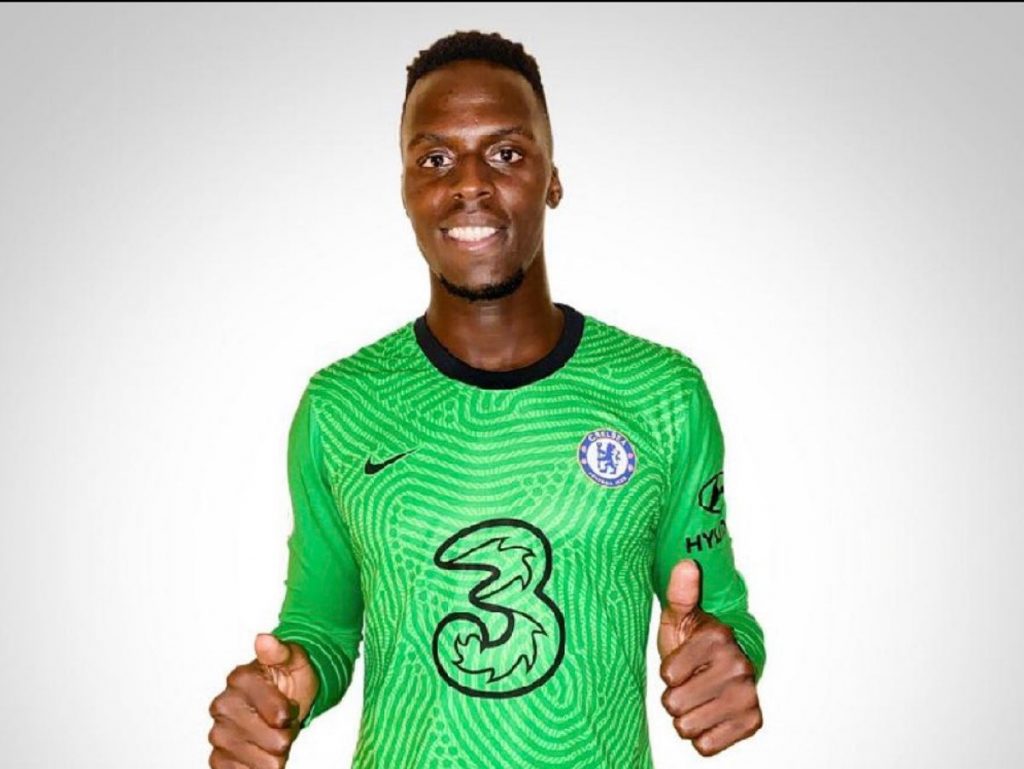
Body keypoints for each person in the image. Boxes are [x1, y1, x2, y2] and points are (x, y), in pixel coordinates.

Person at [207, 29, 765, 769]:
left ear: (552, 179)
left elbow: (719, 610)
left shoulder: (660, 393)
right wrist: (291, 683)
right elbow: (322, 625)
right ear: (406, 190)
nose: (469, 183)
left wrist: (727, 657)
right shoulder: (340, 406)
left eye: (505, 153)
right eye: (435, 159)